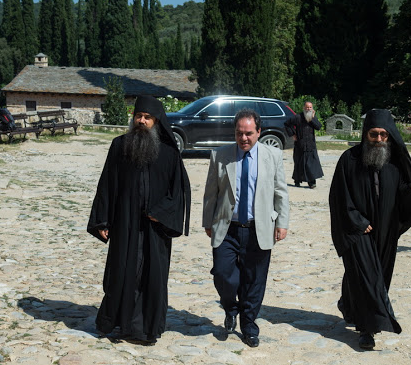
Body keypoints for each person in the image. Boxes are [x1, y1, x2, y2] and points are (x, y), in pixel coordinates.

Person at [329, 108, 411, 350]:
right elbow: (339, 197)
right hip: (358, 231)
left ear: (390, 136)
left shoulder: (395, 164)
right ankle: (369, 330)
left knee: (371, 275)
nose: (378, 140)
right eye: (373, 135)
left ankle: (348, 303)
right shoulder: (349, 160)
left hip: (385, 232)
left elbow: (400, 199)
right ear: (365, 134)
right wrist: (357, 221)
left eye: (383, 135)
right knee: (369, 277)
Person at [87, 95, 191, 345]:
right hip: (125, 225)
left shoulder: (168, 154)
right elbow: (107, 185)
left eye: (148, 117)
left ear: (157, 121)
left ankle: (146, 329)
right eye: (138, 116)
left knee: (152, 277)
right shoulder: (119, 146)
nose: (142, 121)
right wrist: (102, 221)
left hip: (155, 230)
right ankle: (119, 324)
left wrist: (161, 213)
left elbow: (177, 193)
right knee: (121, 273)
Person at [202, 108, 290, 348]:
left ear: (259, 132)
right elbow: (211, 192)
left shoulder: (272, 155)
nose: (244, 138)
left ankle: (249, 325)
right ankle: (231, 307)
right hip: (227, 228)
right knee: (222, 274)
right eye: (239, 133)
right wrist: (207, 221)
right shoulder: (220, 155)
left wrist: (282, 223)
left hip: (258, 228)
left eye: (249, 133)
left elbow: (280, 192)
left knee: (255, 280)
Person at [284, 101, 324, 188]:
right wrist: (293, 134)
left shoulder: (312, 118)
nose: (308, 109)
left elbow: (318, 127)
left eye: (310, 107)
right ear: (304, 108)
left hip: (310, 145)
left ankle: (312, 183)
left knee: (311, 164)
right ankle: (297, 180)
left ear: (312, 109)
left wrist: (313, 118)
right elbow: (287, 124)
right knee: (299, 163)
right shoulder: (298, 117)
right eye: (307, 107)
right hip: (300, 145)